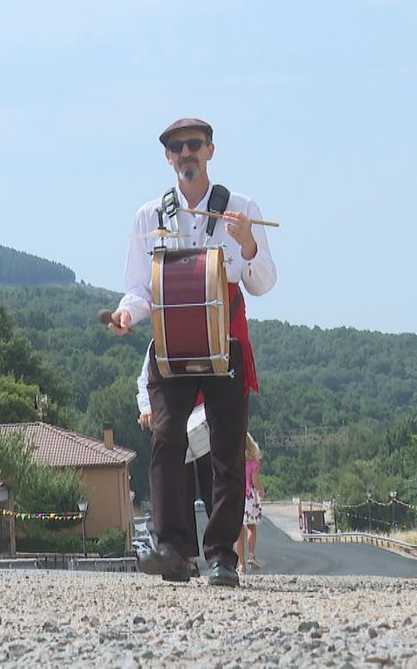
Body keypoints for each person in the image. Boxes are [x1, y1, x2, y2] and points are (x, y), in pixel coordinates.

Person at [108, 117, 276, 588]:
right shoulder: (149, 217)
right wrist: (127, 316)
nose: (186, 153)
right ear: (168, 158)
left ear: (210, 151)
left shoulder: (241, 209)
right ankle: (175, 550)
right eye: (177, 148)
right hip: (171, 343)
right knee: (166, 439)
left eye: (194, 145)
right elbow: (139, 288)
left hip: (224, 342)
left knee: (225, 449)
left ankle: (222, 556)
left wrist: (246, 245)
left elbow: (262, 282)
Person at [137, 363, 213, 578]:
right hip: (176, 423)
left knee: (214, 489)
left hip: (206, 418)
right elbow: (146, 379)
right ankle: (184, 558)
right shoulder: (159, 343)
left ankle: (220, 554)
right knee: (179, 491)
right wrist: (146, 409)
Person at [236, 432, 264, 577]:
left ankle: (241, 565)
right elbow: (255, 481)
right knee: (251, 527)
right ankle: (251, 555)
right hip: (249, 498)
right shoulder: (254, 463)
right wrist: (261, 490)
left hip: (237, 496)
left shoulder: (234, 461)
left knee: (239, 531)